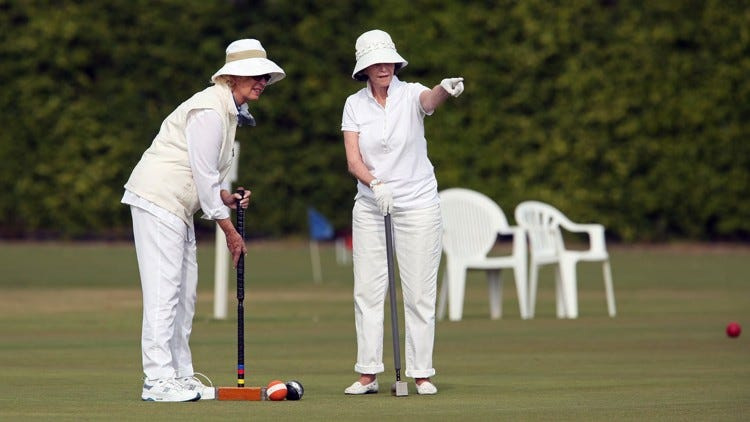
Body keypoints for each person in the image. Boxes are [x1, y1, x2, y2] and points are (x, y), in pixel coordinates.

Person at [122, 39, 285, 402]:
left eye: (264, 76)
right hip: (158, 199)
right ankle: (157, 380)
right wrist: (228, 230)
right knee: (165, 292)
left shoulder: (228, 112)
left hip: (178, 207)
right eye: (254, 75)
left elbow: (208, 177)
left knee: (185, 295)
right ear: (231, 78)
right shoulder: (210, 110)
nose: (261, 81)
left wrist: (225, 199)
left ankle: (178, 374)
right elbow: (202, 174)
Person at [340, 29, 464, 396]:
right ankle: (367, 372)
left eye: (388, 61)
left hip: (419, 204)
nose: (383, 68)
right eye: (375, 63)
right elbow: (353, 159)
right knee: (367, 289)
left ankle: (422, 372)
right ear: (365, 68)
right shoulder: (354, 105)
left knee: (419, 291)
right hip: (370, 205)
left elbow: (429, 101)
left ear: (396, 62)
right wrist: (376, 185)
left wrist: (443, 88)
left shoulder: (411, 93)